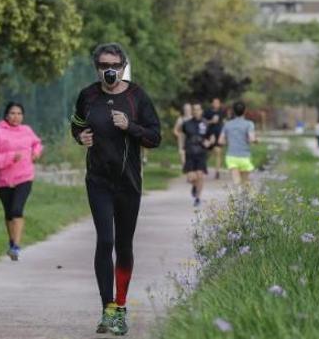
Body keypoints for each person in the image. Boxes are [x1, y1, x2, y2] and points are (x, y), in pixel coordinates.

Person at [70, 43, 161, 335]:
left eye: (115, 65)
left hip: (128, 183)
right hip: (98, 181)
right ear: (96, 68)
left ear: (123, 66)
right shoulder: (88, 95)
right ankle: (107, 309)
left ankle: (121, 308)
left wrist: (130, 126)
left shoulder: (137, 97)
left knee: (123, 245)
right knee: (104, 241)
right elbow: (77, 124)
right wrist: (80, 136)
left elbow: (155, 137)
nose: (110, 70)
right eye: (103, 65)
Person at [0, 102, 43, 261]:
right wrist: (10, 157)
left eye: (19, 113)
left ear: (22, 116)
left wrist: (36, 153)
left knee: (17, 210)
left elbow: (37, 143)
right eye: (12, 113)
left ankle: (16, 247)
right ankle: (12, 242)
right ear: (6, 115)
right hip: (3, 180)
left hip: (24, 177)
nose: (15, 116)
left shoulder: (27, 131)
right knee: (9, 213)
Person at [180, 102, 215, 206]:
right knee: (191, 178)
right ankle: (195, 186)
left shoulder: (206, 123)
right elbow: (181, 135)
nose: (196, 111)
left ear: (201, 111)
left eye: (198, 109)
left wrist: (209, 142)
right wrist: (181, 148)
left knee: (200, 175)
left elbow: (212, 137)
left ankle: (198, 198)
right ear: (192, 111)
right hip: (189, 152)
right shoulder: (186, 124)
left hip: (201, 152)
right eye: (194, 109)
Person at [219, 101, 257, 186]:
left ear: (233, 111)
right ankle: (244, 198)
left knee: (236, 182)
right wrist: (255, 141)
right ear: (245, 111)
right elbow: (251, 139)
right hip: (244, 156)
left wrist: (229, 141)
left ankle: (237, 197)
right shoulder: (249, 124)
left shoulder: (227, 124)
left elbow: (220, 141)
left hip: (231, 156)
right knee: (245, 182)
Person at [204, 98, 225, 179]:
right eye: (214, 103)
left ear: (219, 104)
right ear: (212, 104)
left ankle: (217, 172)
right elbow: (203, 122)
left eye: (218, 103)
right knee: (208, 153)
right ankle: (203, 166)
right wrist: (211, 121)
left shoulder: (222, 112)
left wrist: (224, 136)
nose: (216, 104)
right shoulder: (207, 112)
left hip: (218, 135)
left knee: (218, 152)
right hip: (209, 135)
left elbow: (223, 123)